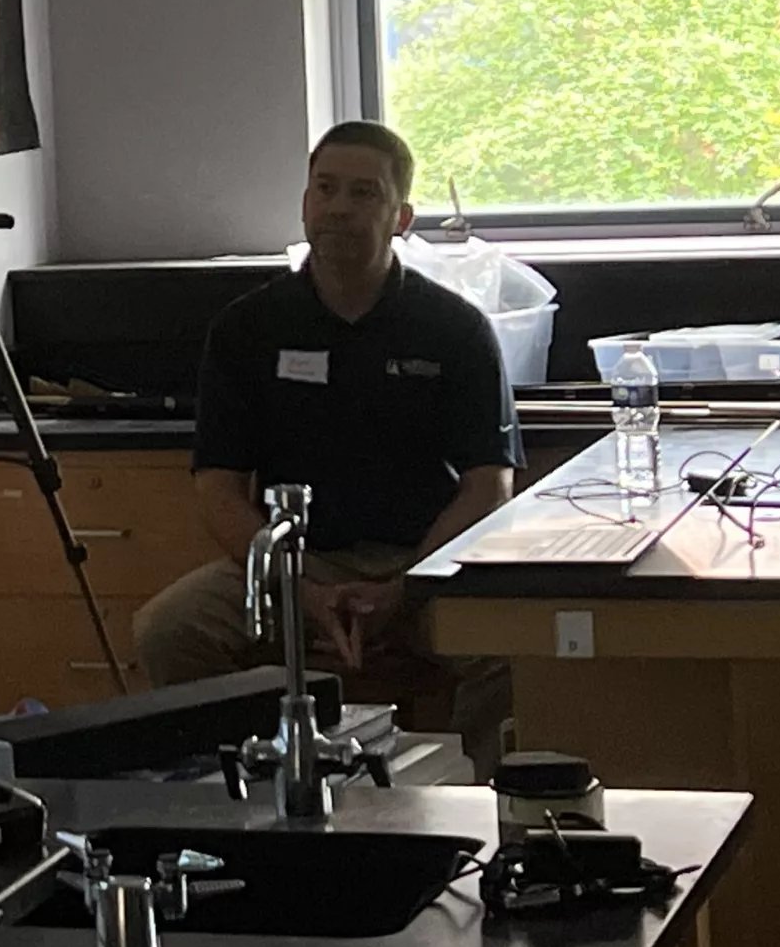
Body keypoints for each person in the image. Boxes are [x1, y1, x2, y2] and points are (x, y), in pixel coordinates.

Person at [132, 121, 521, 696]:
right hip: (293, 565)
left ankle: (473, 764)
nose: (338, 207)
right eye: (325, 188)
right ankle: (256, 753)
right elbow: (217, 490)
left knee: (518, 655)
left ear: (401, 218)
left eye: (364, 193)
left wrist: (405, 588)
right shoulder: (248, 328)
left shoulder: (455, 329)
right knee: (169, 631)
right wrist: (299, 591)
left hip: (425, 564)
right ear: (304, 203)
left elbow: (489, 485)